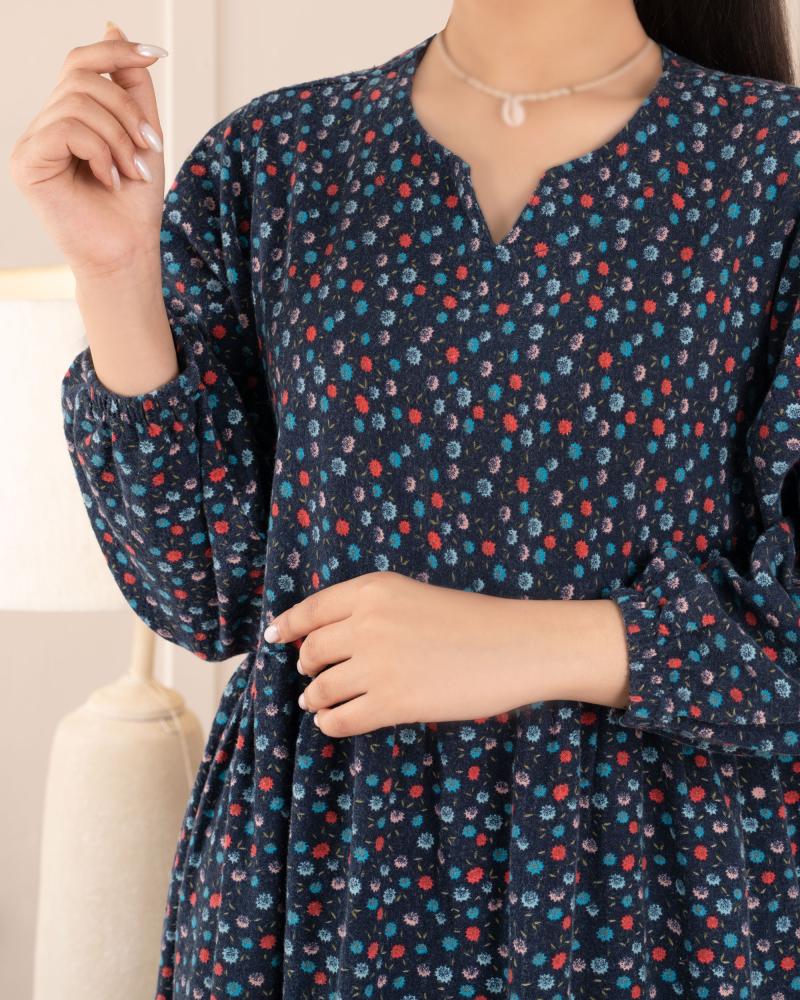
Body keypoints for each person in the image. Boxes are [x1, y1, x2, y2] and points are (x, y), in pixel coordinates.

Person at [10, 1, 800, 996]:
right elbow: (202, 598)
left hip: (657, 900)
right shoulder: (275, 159)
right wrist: (114, 270)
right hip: (316, 889)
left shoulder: (773, 170)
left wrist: (537, 645)